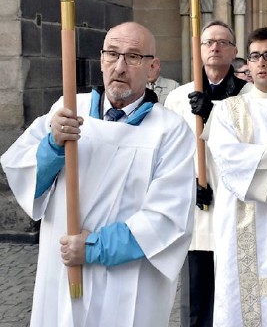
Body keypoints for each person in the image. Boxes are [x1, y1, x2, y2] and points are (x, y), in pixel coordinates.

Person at [0, 22, 196, 327]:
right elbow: (29, 181)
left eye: (133, 57)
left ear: (153, 67)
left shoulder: (170, 131)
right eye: (112, 54)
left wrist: (94, 247)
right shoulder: (66, 111)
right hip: (63, 271)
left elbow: (168, 217)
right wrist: (52, 145)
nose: (119, 67)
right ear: (101, 59)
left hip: (128, 279)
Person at [206, 27, 267, 326]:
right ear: (247, 63)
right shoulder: (228, 109)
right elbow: (225, 157)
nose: (261, 63)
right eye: (255, 56)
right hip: (239, 220)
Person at [164, 20, 249, 327]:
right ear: (199, 49)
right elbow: (170, 154)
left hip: (237, 205)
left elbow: (251, 146)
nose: (215, 47)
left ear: (234, 51)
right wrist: (188, 186)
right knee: (196, 296)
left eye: (223, 42)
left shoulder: (249, 95)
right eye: (208, 42)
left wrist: (213, 115)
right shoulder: (178, 98)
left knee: (234, 292)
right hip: (197, 205)